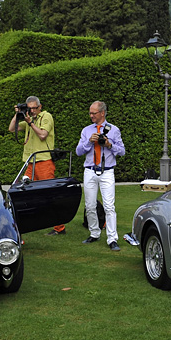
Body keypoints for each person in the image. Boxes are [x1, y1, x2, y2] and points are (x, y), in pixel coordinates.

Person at [9, 95, 66, 235]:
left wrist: (30, 123)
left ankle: (60, 228)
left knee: (50, 195)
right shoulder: (29, 119)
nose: (33, 111)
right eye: (30, 108)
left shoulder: (46, 117)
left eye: (35, 108)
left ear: (40, 107)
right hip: (31, 162)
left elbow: (42, 135)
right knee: (22, 192)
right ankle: (25, 223)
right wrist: (18, 114)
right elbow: (11, 129)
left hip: (44, 161)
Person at [76, 101, 126, 251]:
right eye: (90, 113)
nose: (91, 116)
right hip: (90, 170)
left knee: (109, 206)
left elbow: (122, 151)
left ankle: (112, 238)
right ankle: (94, 233)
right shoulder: (86, 130)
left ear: (102, 113)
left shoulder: (114, 130)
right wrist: (89, 142)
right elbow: (79, 151)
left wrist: (109, 145)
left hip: (107, 171)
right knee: (90, 205)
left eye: (94, 113)